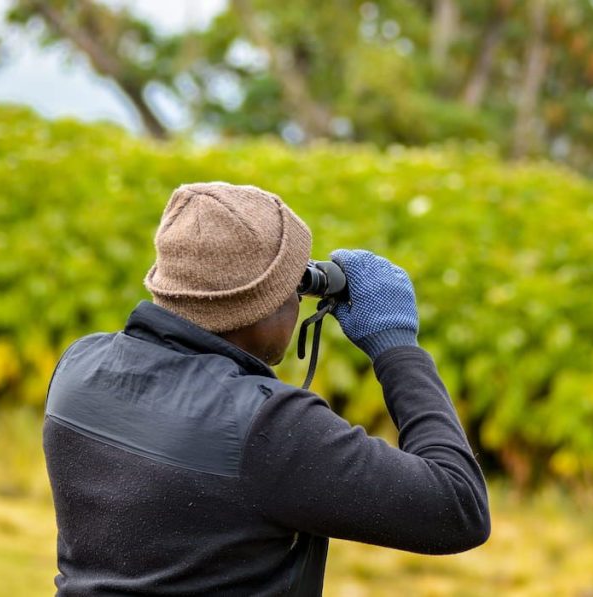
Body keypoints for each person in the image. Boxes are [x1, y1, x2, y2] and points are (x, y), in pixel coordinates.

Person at [43, 182, 490, 595]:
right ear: (264, 304)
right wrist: (396, 346)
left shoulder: (79, 367)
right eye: (296, 286)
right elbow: (458, 506)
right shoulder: (268, 427)